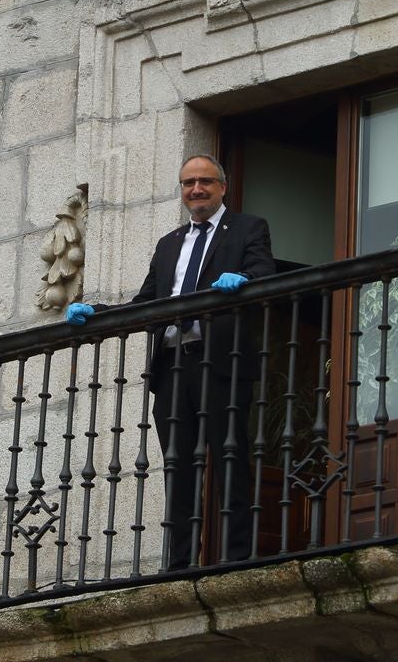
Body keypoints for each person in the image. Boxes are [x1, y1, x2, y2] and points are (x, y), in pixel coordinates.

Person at [64, 154, 276, 570]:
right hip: (174, 366)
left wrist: (244, 281)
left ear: (222, 187)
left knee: (230, 459)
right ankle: (179, 563)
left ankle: (238, 557)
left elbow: (264, 274)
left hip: (223, 361)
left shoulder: (248, 228)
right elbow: (147, 305)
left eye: (204, 182)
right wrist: (98, 311)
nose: (196, 189)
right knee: (178, 469)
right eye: (187, 183)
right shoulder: (169, 244)